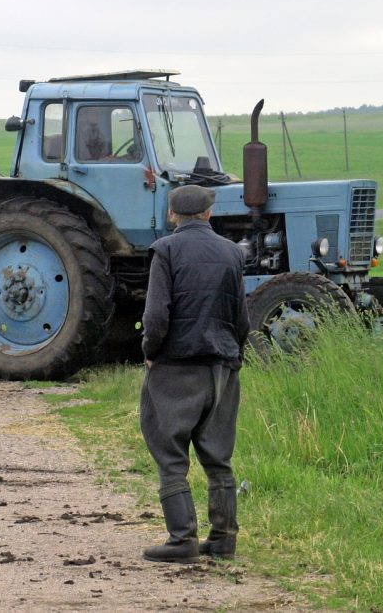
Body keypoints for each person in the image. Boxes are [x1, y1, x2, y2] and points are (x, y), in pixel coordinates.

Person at [139, 184, 250, 563]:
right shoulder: (233, 253)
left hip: (176, 367)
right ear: (208, 214)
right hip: (222, 367)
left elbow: (155, 316)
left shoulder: (165, 250)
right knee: (218, 456)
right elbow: (242, 319)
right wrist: (232, 358)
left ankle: (182, 540)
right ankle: (223, 540)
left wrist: (151, 353)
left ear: (172, 215)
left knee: (170, 454)